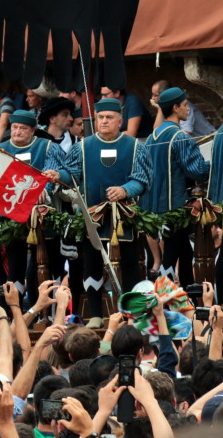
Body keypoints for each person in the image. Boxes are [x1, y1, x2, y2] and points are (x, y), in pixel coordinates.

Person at [48, 98, 150, 315]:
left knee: (129, 263)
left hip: (125, 219)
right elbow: (72, 174)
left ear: (120, 121)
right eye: (100, 117)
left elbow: (142, 179)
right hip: (92, 217)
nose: (104, 121)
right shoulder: (82, 147)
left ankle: (131, 313)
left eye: (109, 118)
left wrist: (125, 190)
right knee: (92, 265)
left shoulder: (134, 147)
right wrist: (59, 175)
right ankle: (95, 315)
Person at [142, 88, 209, 284]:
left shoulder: (152, 137)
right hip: (175, 207)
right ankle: (164, 299)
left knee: (185, 254)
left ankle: (188, 296)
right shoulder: (179, 137)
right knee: (170, 256)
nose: (188, 108)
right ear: (175, 107)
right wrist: (215, 165)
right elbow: (196, 171)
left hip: (153, 208)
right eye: (185, 104)